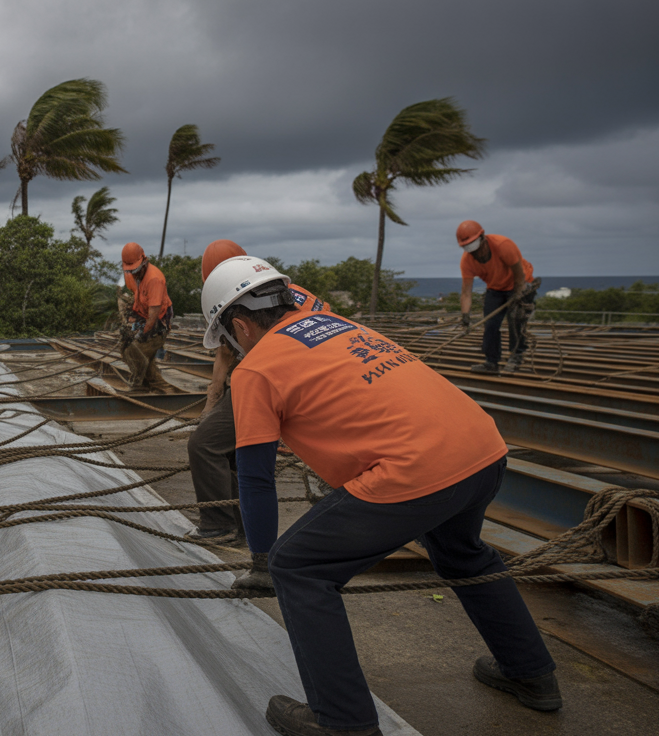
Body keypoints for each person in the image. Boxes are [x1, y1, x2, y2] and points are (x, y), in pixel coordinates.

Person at [200, 257, 559, 735]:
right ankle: (531, 674)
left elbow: (256, 477)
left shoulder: (256, 370)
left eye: (229, 339)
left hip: (415, 470)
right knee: (463, 553)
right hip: (482, 449)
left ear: (241, 327)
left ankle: (343, 721)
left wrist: (264, 558)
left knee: (298, 566)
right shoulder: (339, 325)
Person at [186, 241, 328, 544]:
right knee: (232, 451)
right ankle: (239, 525)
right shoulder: (290, 292)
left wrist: (211, 404)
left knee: (205, 445)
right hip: (314, 376)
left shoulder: (236, 301)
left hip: (270, 377)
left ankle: (219, 525)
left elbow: (225, 354)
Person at [456, 220, 538, 374]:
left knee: (515, 318)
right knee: (490, 324)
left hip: (520, 282)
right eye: (470, 250)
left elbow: (519, 274)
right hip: (496, 288)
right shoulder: (467, 261)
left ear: (483, 238)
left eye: (476, 248)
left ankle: (517, 355)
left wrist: (518, 294)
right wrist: (465, 315)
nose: (476, 254)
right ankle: (491, 362)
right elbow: (466, 292)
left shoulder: (503, 245)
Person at [119, 242, 175, 393]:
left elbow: (153, 316)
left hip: (158, 322)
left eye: (135, 269)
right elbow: (138, 299)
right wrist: (132, 318)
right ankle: (158, 388)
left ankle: (138, 386)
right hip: (143, 317)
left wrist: (141, 334)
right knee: (127, 349)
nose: (133, 273)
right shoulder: (133, 275)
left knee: (135, 350)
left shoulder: (154, 279)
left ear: (144, 261)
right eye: (130, 270)